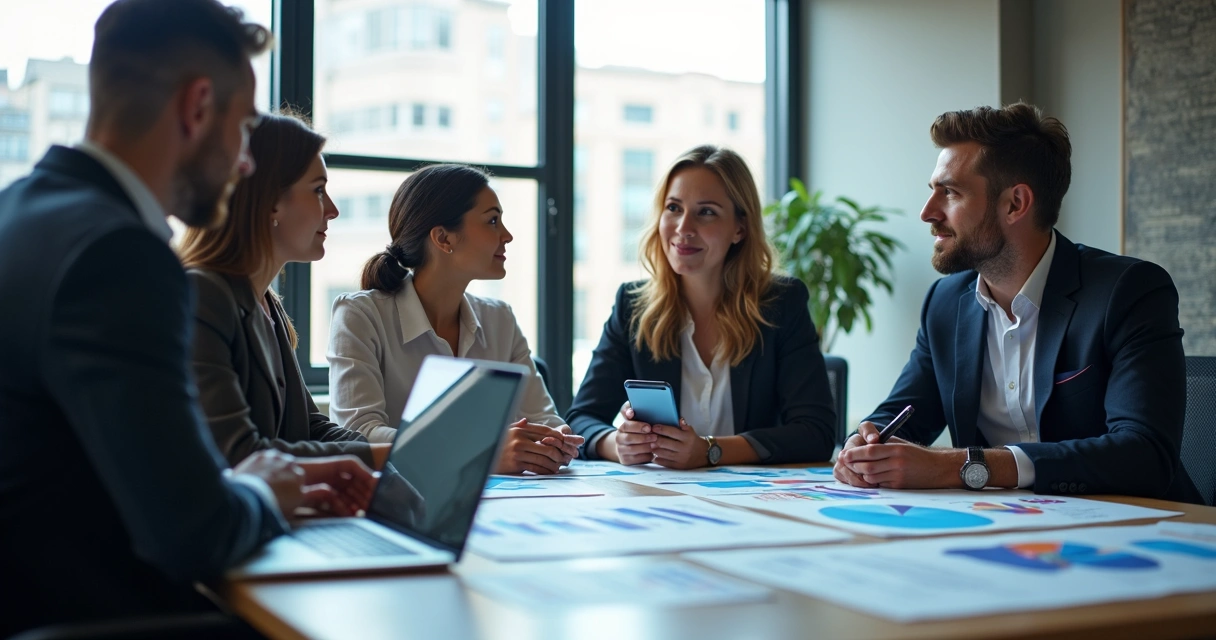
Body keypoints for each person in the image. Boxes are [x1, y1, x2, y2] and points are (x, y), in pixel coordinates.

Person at [0, 1, 376, 635]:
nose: (247, 161)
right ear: (198, 107)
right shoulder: (120, 256)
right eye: (244, 127)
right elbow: (195, 533)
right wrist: (262, 489)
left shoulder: (20, 212)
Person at [833, 103, 1201, 503]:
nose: (927, 213)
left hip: (1145, 531)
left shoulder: (1128, 291)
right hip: (1006, 529)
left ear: (1015, 204)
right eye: (932, 191)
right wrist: (864, 442)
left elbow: (1144, 454)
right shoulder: (945, 303)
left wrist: (961, 465)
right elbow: (902, 415)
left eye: (950, 192)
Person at [566, 144, 837, 468]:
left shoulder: (781, 305)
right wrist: (617, 444)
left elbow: (816, 434)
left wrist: (710, 450)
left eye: (706, 211)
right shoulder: (633, 308)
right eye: (674, 208)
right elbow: (581, 418)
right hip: (664, 501)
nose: (683, 229)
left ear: (740, 228)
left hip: (753, 500)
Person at [327, 164, 583, 475]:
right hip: (400, 504)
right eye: (492, 221)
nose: (507, 235)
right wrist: (480, 453)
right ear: (443, 238)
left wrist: (555, 443)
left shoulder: (500, 319)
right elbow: (360, 435)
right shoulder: (360, 316)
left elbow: (549, 422)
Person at [177, 112, 388, 470]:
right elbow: (241, 453)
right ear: (272, 200)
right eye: (318, 190)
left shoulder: (267, 304)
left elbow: (310, 427)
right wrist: (390, 456)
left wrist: (404, 449)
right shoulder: (202, 296)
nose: (332, 210)